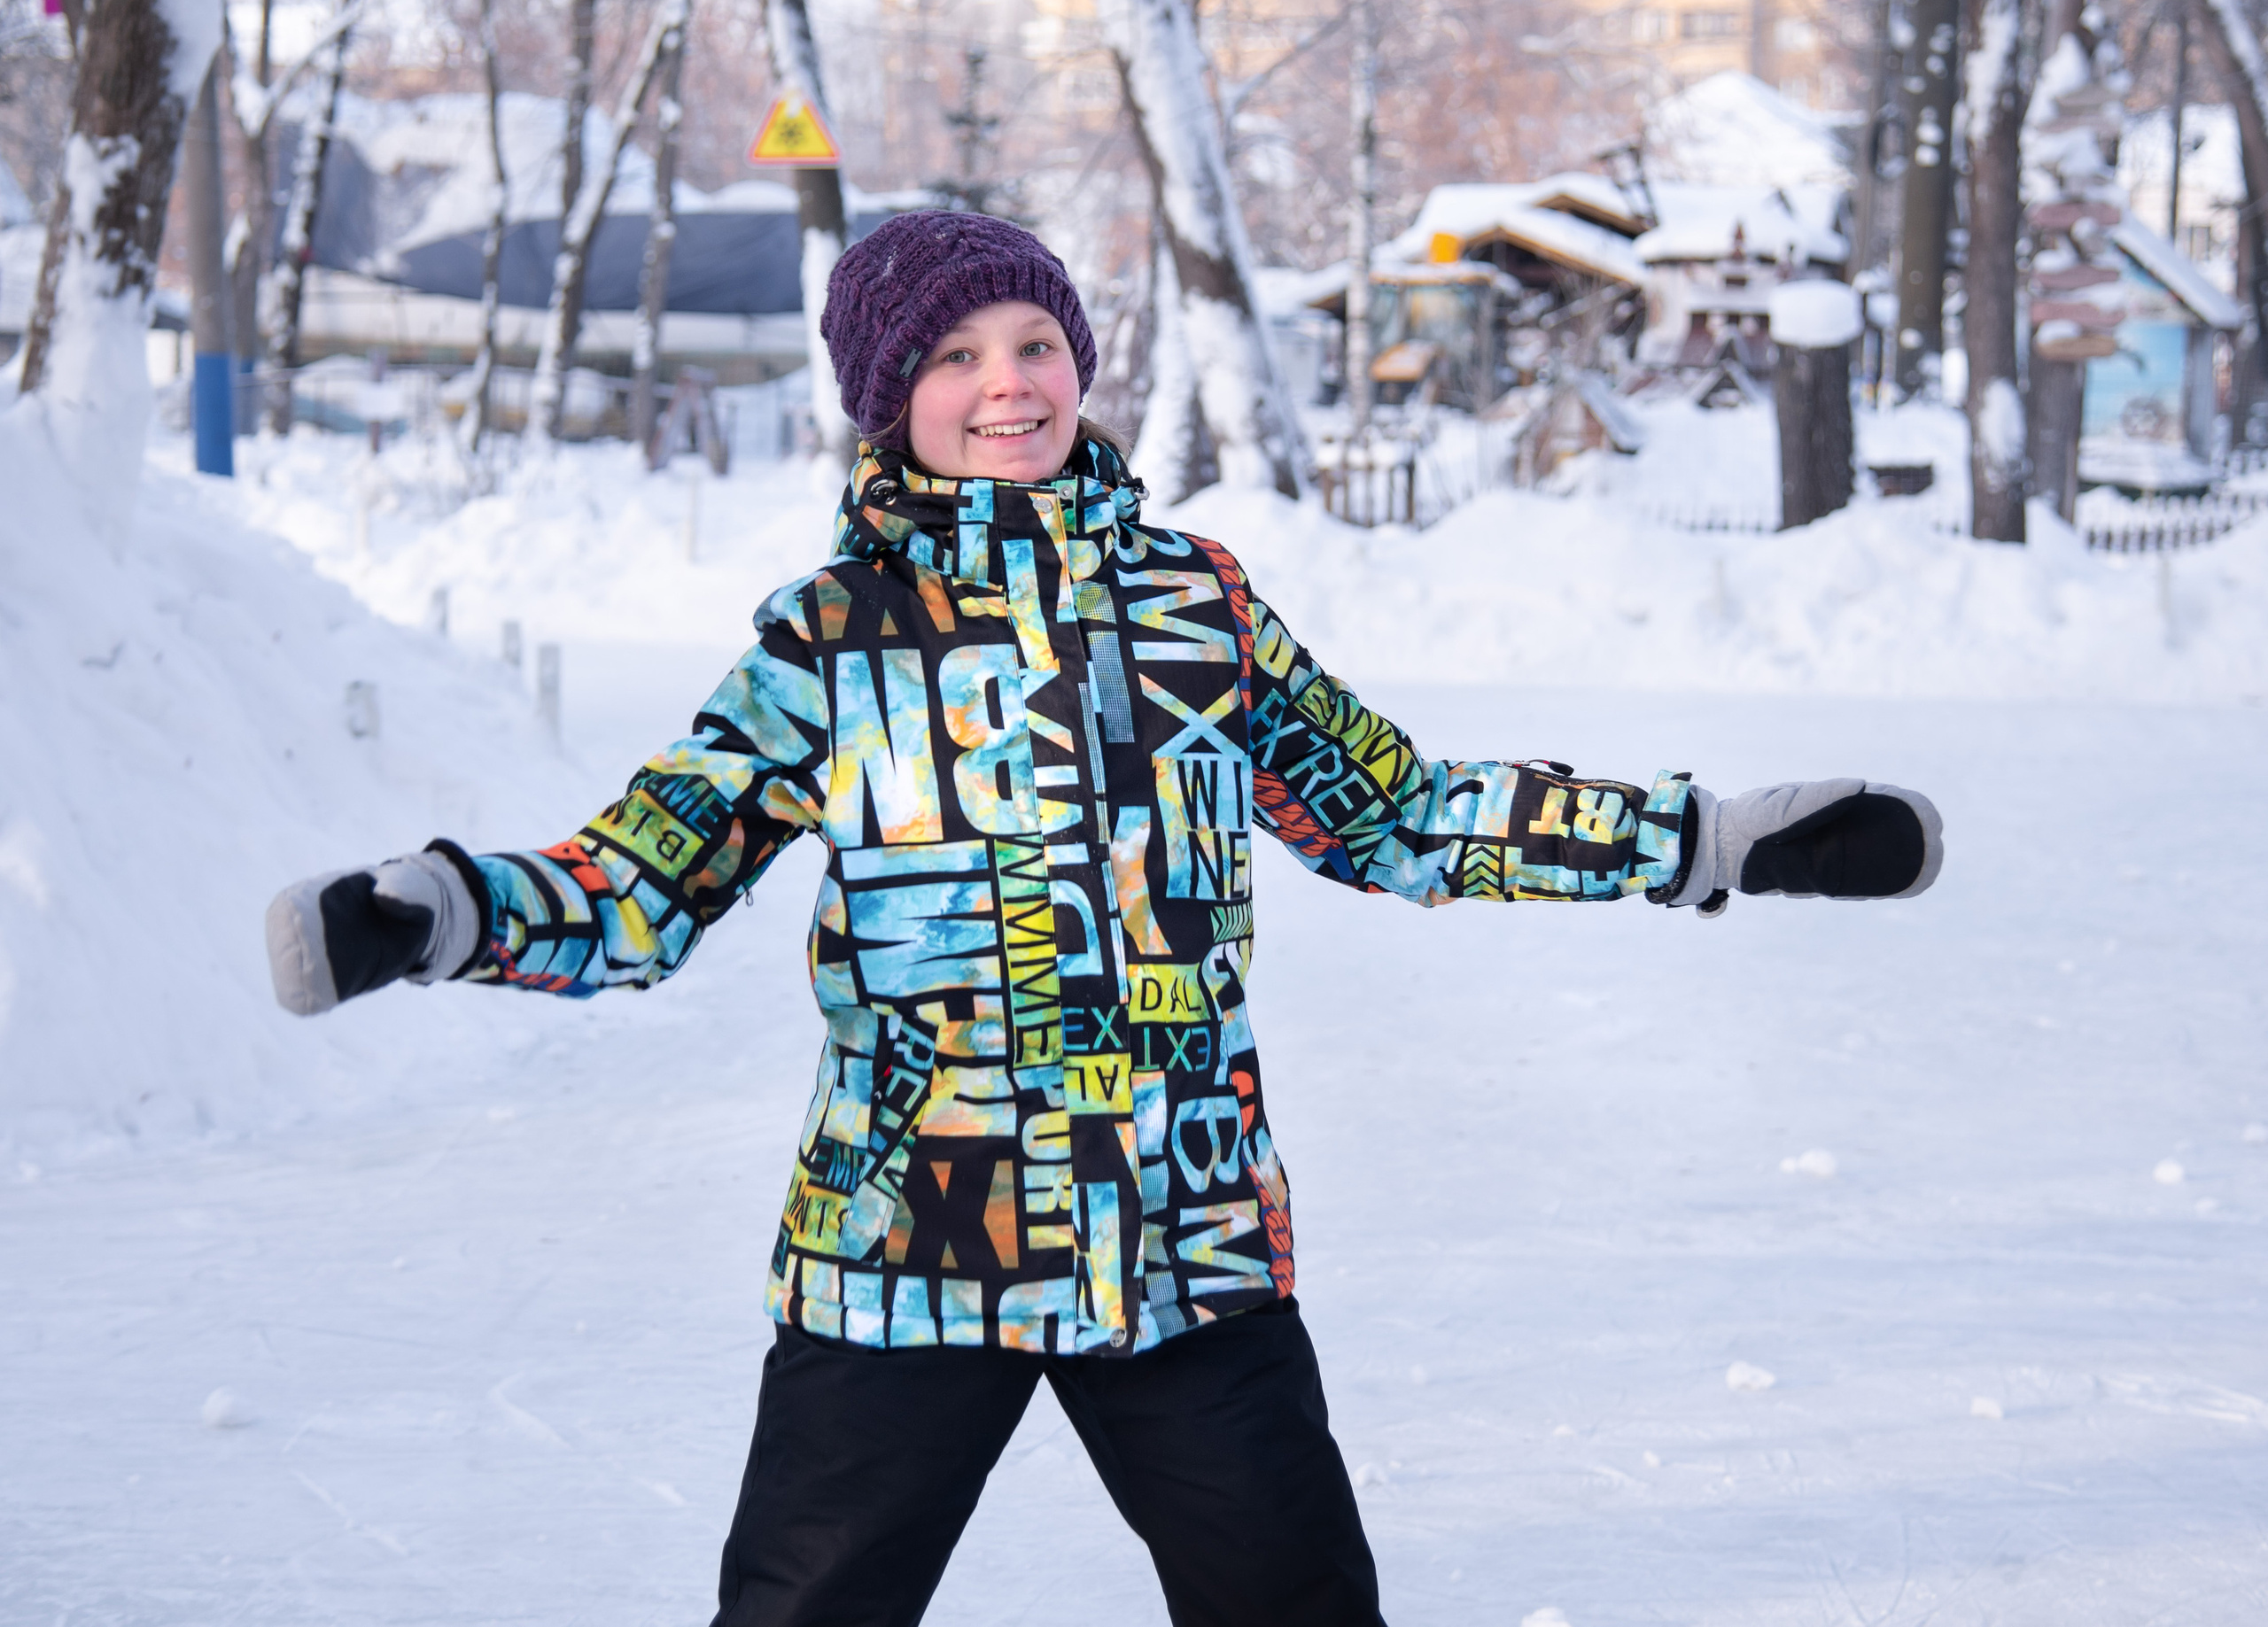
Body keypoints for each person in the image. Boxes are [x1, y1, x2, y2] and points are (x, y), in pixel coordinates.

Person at [265, 210, 1945, 1627]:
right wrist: (444, 911)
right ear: (887, 400)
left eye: (1033, 342)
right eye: (953, 356)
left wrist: (1708, 839)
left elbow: (1400, 811)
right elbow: (644, 880)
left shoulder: (1189, 602)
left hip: (1182, 1233)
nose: (1006, 383)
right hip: (911, 1239)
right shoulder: (831, 637)